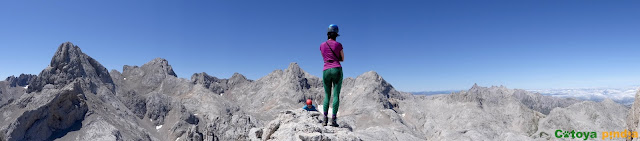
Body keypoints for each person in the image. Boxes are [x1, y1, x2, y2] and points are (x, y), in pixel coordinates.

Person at [319, 24, 344, 127]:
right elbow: (342, 59)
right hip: (336, 69)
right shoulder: (339, 45)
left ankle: (324, 120)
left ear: (327, 34)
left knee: (327, 95)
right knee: (336, 95)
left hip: (326, 70)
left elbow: (324, 58)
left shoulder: (322, 45)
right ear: (336, 35)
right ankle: (333, 120)